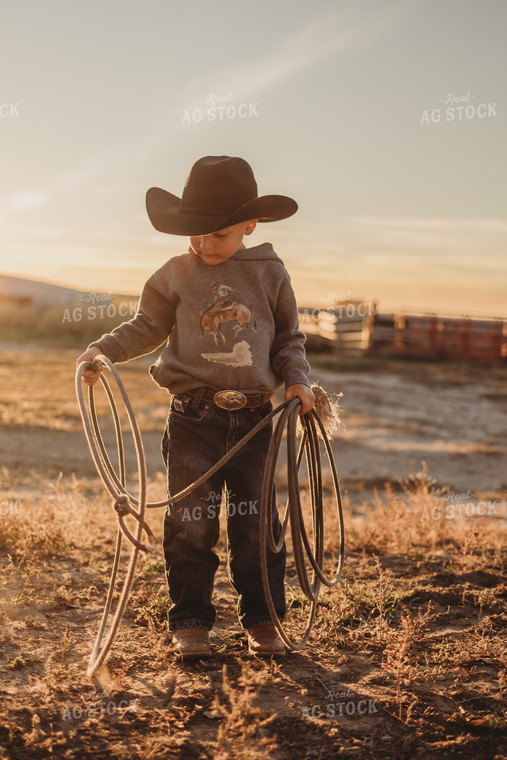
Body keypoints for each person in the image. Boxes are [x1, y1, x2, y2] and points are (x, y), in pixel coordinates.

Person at [77, 155, 315, 658]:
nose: (205, 244)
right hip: (193, 418)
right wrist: (104, 350)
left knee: (256, 524)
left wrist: (297, 381)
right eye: (196, 234)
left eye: (219, 234)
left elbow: (289, 339)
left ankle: (265, 620)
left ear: (250, 224)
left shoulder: (270, 272)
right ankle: (190, 622)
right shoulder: (175, 274)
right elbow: (145, 327)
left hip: (255, 419)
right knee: (191, 522)